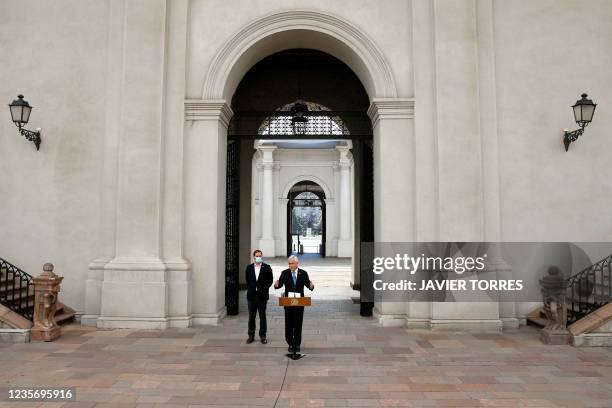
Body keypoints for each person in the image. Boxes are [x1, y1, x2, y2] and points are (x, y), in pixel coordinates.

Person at [274, 255, 314, 353]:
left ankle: (297, 343)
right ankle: (290, 343)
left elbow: (309, 285)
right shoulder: (285, 273)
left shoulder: (303, 273)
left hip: (299, 303)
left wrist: (312, 286)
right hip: (288, 303)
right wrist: (276, 285)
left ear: (297, 264)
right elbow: (279, 285)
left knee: (298, 324)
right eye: (289, 263)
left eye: (292, 263)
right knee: (289, 324)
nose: (290, 265)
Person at [245, 249, 273, 344]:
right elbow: (247, 280)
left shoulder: (267, 267)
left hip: (262, 296)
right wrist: (252, 288)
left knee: (262, 316)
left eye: (260, 256)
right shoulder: (249, 268)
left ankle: (263, 336)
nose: (258, 257)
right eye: (256, 256)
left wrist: (263, 288)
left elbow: (270, 280)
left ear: (262, 256)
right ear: (254, 257)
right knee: (251, 317)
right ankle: (251, 335)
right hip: (252, 296)